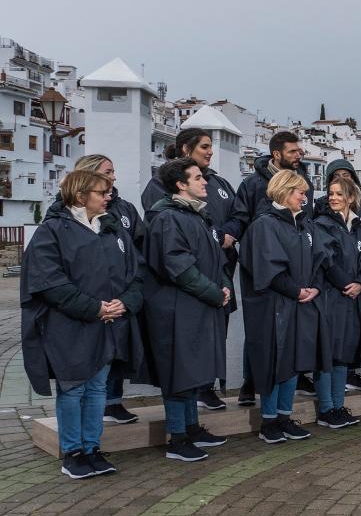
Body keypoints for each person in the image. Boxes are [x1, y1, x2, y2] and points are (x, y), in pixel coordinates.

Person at [20, 170, 144, 479]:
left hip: (107, 325)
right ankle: (73, 452)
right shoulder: (52, 231)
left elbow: (136, 276)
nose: (108, 197)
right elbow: (49, 282)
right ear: (80, 196)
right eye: (102, 192)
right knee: (73, 389)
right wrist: (94, 308)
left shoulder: (113, 231)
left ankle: (92, 448)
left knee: (97, 389)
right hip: (70, 327)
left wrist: (124, 302)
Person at [142, 128, 238, 411]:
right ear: (181, 185)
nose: (204, 182)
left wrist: (224, 286)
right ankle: (178, 434)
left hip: (205, 301)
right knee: (180, 372)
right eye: (197, 178)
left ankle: (192, 427)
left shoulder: (200, 216)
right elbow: (179, 265)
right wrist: (213, 292)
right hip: (183, 305)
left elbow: (218, 258)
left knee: (195, 367)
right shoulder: (168, 217)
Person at [237, 169, 331, 444]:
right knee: (274, 362)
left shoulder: (304, 225)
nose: (305, 198)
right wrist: (295, 290)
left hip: (300, 304)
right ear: (286, 191)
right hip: (274, 306)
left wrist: (315, 286)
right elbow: (268, 267)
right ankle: (269, 422)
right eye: (301, 192)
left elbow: (320, 259)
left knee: (292, 362)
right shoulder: (264, 224)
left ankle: (284, 417)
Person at [228, 130, 313, 405]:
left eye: (299, 151)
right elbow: (240, 218)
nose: (298, 155)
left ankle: (289, 383)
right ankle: (250, 382)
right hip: (264, 268)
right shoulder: (253, 185)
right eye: (292, 151)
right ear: (277, 153)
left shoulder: (303, 182)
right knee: (260, 333)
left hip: (292, 271)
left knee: (286, 338)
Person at [62, 154, 146, 425]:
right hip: (88, 310)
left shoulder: (124, 209)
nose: (114, 176)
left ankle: (112, 403)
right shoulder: (62, 221)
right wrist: (96, 305)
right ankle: (78, 446)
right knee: (81, 383)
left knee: (115, 354)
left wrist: (126, 298)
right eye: (108, 172)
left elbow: (137, 251)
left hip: (118, 303)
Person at [311, 175, 361, 429]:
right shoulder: (322, 224)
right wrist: (345, 284)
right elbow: (326, 259)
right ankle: (326, 409)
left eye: (339, 194)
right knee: (328, 353)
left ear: (351, 197)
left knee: (343, 355)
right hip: (332, 297)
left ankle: (338, 405)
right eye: (331, 193)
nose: (334, 198)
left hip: (354, 299)